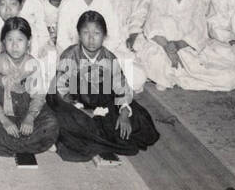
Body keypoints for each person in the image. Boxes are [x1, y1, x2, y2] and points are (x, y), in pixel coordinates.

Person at [51, 11, 159, 165]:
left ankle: (96, 140)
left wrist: (123, 113)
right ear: (79, 35)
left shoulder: (109, 57)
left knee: (140, 122)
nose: (91, 39)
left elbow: (121, 87)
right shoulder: (70, 55)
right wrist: (80, 109)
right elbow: (61, 90)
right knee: (65, 122)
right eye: (86, 33)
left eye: (97, 33)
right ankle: (95, 139)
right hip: (74, 102)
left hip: (102, 100)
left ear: (104, 35)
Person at [0, 16, 59, 161]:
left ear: (29, 42)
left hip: (26, 110)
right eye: (10, 40)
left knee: (51, 123)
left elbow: (38, 96)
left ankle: (9, 144)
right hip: (2, 111)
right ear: (3, 42)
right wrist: (4, 121)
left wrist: (30, 118)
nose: (15, 45)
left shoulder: (33, 64)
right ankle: (27, 144)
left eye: (20, 40)